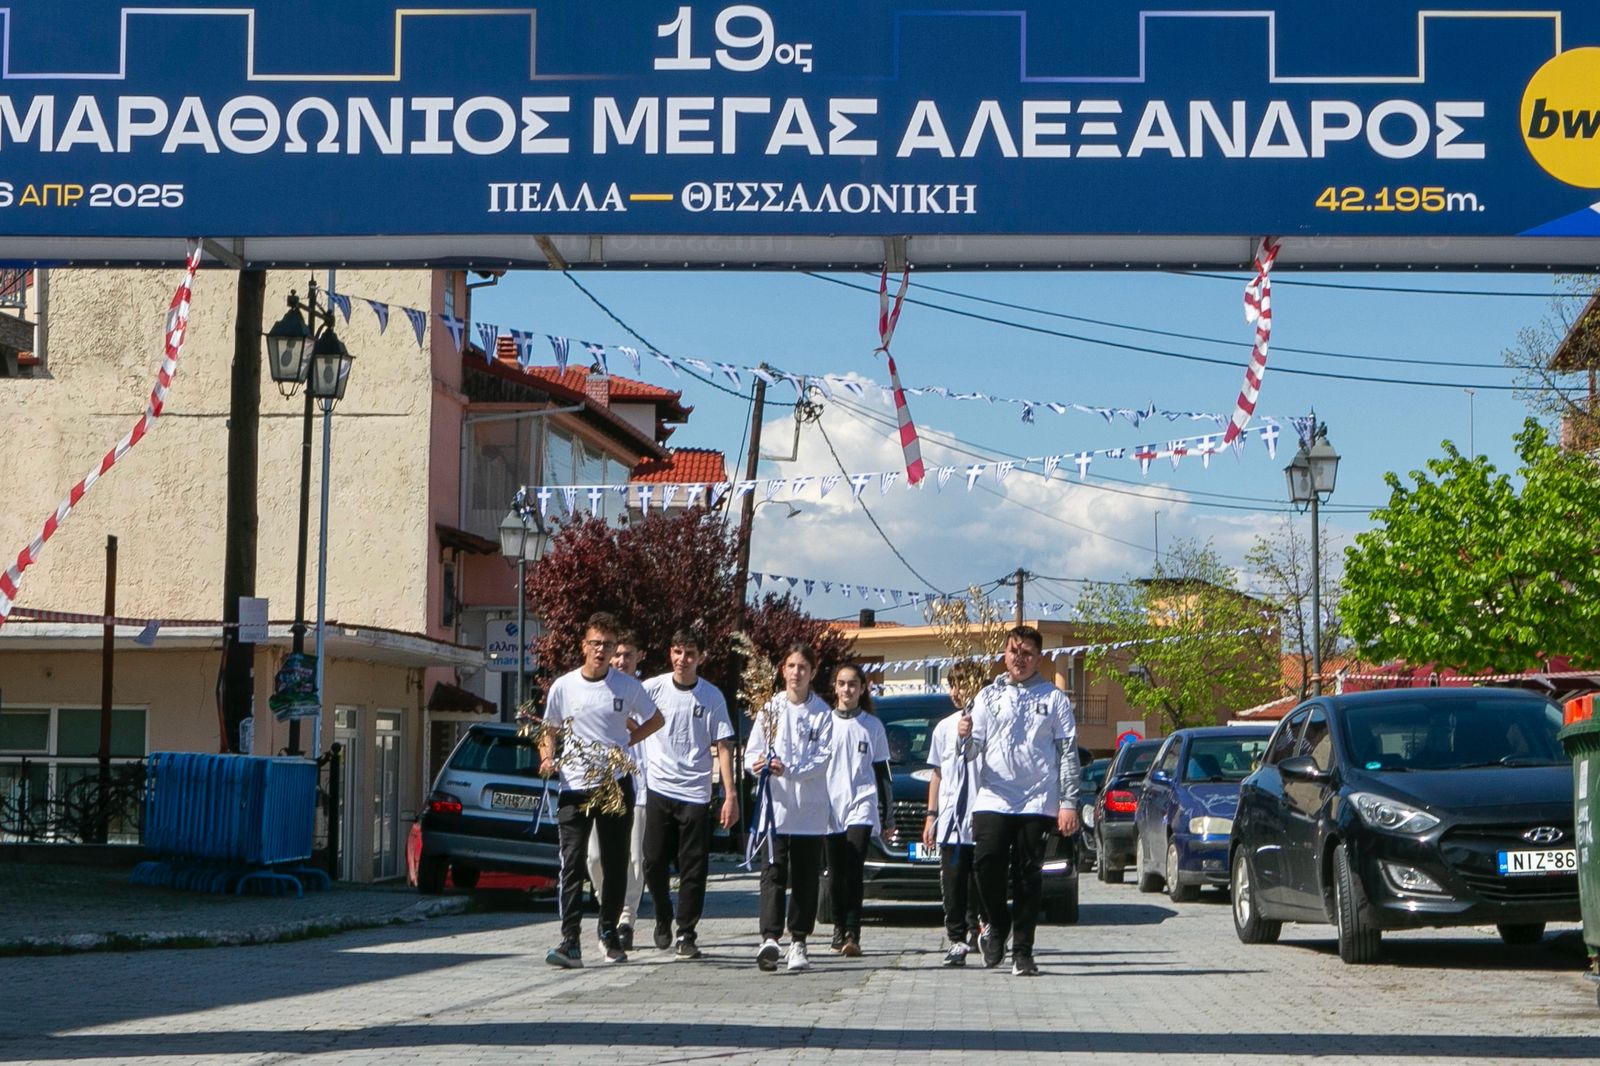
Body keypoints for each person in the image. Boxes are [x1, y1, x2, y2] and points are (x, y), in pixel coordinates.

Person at [540, 613, 664, 969]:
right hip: (575, 785)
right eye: (595, 643)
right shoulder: (564, 687)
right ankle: (570, 940)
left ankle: (608, 932)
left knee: (614, 861)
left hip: (614, 784)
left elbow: (656, 719)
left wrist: (628, 742)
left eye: (608, 645)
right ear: (584, 645)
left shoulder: (626, 686)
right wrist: (547, 757)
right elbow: (549, 730)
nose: (601, 651)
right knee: (574, 861)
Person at [961, 624, 1080, 977]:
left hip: (1037, 799)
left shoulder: (1054, 699)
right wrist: (964, 736)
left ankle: (1023, 952)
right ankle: (998, 923)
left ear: (1038, 658)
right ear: (1005, 654)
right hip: (994, 796)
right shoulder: (988, 696)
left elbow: (1068, 753)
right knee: (986, 863)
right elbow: (971, 752)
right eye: (1014, 651)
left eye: (1027, 653)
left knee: (1028, 875)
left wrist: (1069, 802)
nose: (1020, 659)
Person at [641, 629, 739, 960]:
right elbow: (626, 719)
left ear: (701, 658)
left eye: (690, 653)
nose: (683, 659)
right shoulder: (652, 688)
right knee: (653, 860)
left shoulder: (711, 696)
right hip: (659, 786)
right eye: (678, 651)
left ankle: (686, 932)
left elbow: (723, 746)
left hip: (696, 792)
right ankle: (662, 913)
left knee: (693, 868)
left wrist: (729, 794)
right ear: (670, 653)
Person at [746, 642, 833, 973]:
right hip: (776, 809)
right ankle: (770, 938)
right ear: (783, 670)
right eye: (791, 666)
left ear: (812, 672)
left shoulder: (822, 713)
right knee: (773, 872)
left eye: (803, 667)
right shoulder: (770, 708)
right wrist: (757, 765)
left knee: (805, 877)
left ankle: (799, 940)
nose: (796, 673)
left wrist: (790, 770)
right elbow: (752, 752)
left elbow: (822, 759)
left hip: (808, 811)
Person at [822, 662, 891, 957]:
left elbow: (882, 773)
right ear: (835, 687)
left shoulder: (872, 726)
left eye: (853, 684)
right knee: (836, 872)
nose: (847, 689)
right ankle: (838, 926)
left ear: (862, 689)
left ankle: (852, 932)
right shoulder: (824, 723)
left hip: (861, 803)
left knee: (853, 866)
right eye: (842, 683)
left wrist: (888, 815)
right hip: (830, 806)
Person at [922, 659, 987, 966]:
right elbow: (937, 773)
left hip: (983, 813)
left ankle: (984, 930)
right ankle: (956, 939)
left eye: (961, 685)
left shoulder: (988, 722)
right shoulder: (944, 727)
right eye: (952, 685)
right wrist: (931, 815)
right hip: (951, 819)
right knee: (954, 881)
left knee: (981, 880)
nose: (955, 692)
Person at [587, 631, 648, 951]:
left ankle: (625, 919)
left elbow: (656, 730)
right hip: (598, 785)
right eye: (618, 655)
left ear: (639, 657)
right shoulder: (596, 690)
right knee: (595, 857)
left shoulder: (643, 693)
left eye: (628, 655)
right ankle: (607, 909)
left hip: (637, 786)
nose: (621, 661)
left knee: (634, 858)